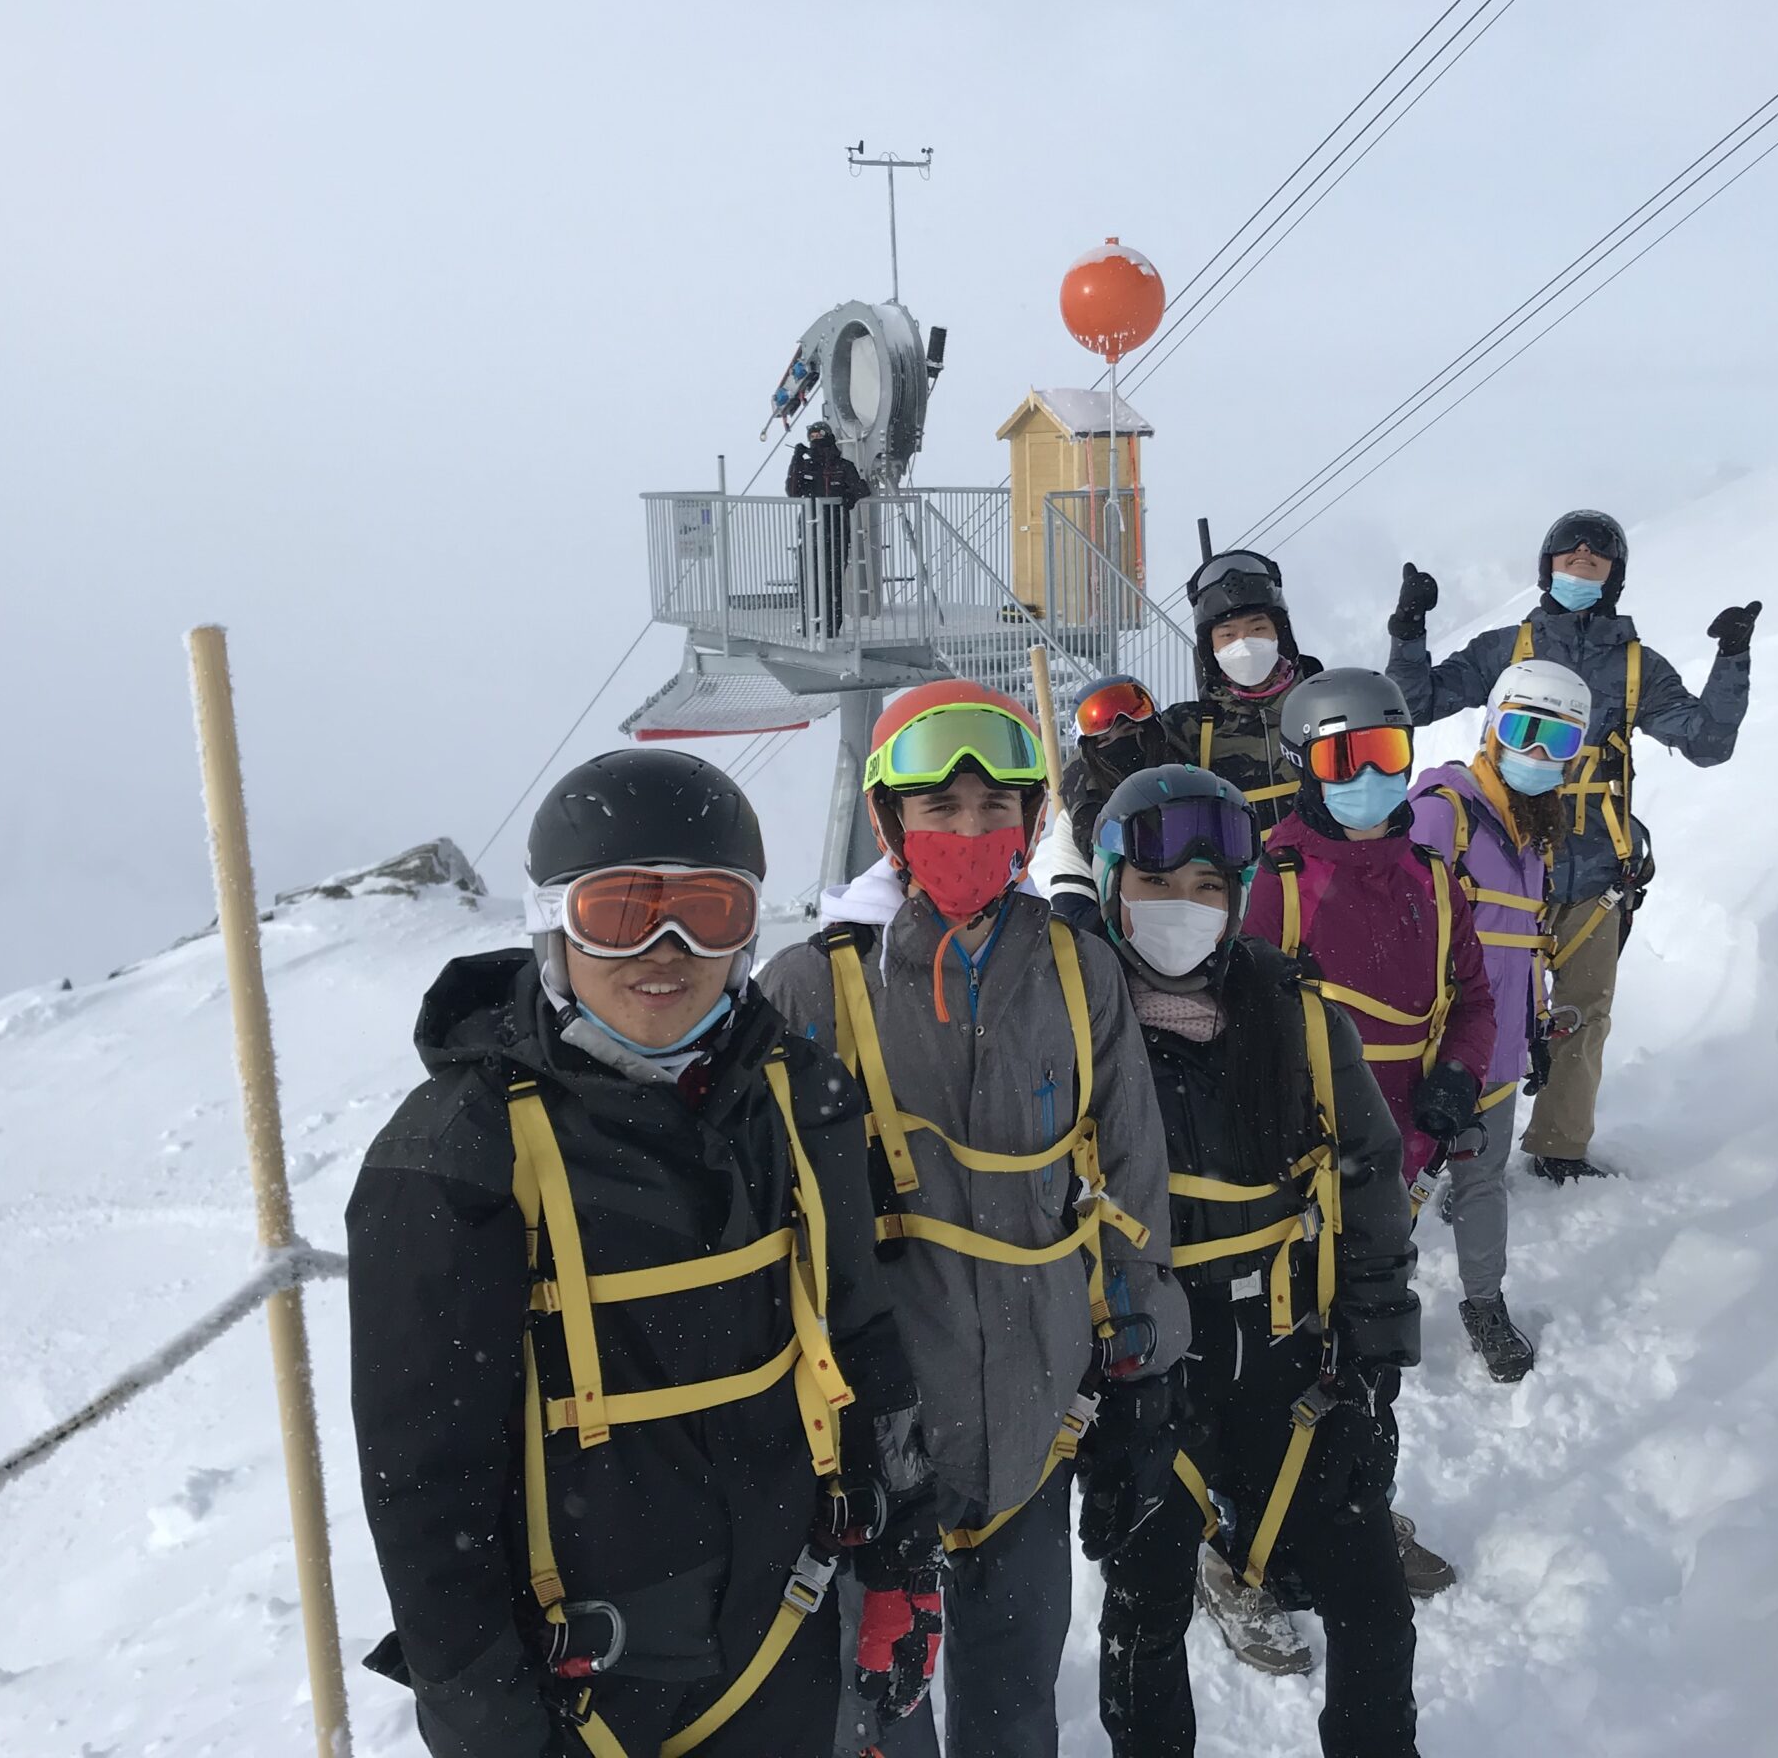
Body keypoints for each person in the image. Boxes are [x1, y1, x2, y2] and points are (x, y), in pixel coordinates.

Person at [348, 750, 940, 1758]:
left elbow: (859, 1332)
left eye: (707, 912)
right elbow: (425, 1489)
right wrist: (484, 1719)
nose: (664, 950)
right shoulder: (459, 1159)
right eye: (618, 913)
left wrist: (901, 1555)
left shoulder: (796, 1097)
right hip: (584, 1688)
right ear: (551, 926)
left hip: (779, 1635)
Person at [758, 679, 1188, 1758]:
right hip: (870, 1452)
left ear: (1033, 824)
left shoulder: (1074, 971)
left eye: (995, 811)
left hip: (1032, 1436)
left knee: (1011, 1708)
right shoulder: (810, 993)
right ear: (890, 825)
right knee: (877, 1720)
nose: (968, 832)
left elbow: (1126, 1174)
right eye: (939, 810)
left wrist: (1141, 1370)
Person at [1086, 766, 1423, 1757]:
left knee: (1369, 1604)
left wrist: (1372, 1366)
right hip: (1145, 1376)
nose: (1183, 911)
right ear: (1110, 889)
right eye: (1157, 887)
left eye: (1206, 889)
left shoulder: (1296, 1020)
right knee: (1144, 1617)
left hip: (1288, 1361)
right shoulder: (1077, 1032)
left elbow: (1367, 1187)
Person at [1384, 509, 1755, 1180]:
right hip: (1502, 862)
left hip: (1595, 872)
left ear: (1614, 578)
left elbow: (1706, 740)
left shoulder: (1636, 666)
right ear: (1547, 570)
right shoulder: (1508, 648)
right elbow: (1417, 701)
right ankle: (1456, 1147)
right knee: (1476, 1007)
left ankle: (1558, 1147)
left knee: (1581, 1015)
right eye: (1569, 562)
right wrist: (1408, 633)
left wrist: (1732, 662)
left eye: (1595, 564)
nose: (1580, 572)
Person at [1237, 667, 1493, 1613]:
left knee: (1374, 1347)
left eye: (1386, 757)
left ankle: (1352, 1508)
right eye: (1343, 761)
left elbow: (1473, 995)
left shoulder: (1432, 876)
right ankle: (1253, 1534)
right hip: (1300, 1167)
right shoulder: (1280, 875)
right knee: (1289, 1352)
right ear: (1307, 766)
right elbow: (1240, 1015)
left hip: (1401, 1162)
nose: (1368, 781)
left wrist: (1460, 1076)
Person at [1405, 659, 1596, 1382]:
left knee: (1482, 1185)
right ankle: (1367, 1300)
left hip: (1500, 1053)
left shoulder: (1534, 834)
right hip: (1430, 1051)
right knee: (1395, 1190)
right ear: (1492, 727)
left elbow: (1527, 946)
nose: (1541, 757)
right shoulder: (1441, 811)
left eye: (1561, 744)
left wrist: (1534, 1028)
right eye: (1526, 732)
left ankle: (1484, 1304)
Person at [1163, 547, 1322, 840]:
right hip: (1238, 881)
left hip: (1322, 879)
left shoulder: (1323, 705)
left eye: (1258, 628)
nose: (1245, 643)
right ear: (1210, 649)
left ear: (1279, 633)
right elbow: (1111, 776)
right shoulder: (1186, 728)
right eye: (1228, 635)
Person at [1029, 672, 1185, 930]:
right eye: (1104, 740)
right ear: (1090, 754)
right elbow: (1073, 915)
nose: (1120, 745)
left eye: (1130, 730)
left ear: (1152, 731)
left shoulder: (1194, 792)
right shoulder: (1079, 818)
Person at [787, 421, 872, 638]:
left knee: (832, 579)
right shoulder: (806, 467)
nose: (816, 441)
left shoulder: (842, 466)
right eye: (812, 436)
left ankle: (831, 626)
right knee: (809, 578)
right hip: (809, 529)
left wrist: (845, 499)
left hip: (835, 531)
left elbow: (861, 490)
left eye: (819, 435)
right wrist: (796, 460)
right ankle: (810, 624)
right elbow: (793, 490)